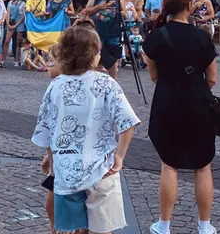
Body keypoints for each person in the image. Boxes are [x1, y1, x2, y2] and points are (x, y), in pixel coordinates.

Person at [32, 25, 140, 234]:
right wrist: (119, 156)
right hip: (102, 169)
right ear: (93, 56)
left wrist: (52, 159)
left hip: (66, 172)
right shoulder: (106, 83)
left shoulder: (56, 86)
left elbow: (47, 130)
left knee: (70, 229)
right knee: (103, 229)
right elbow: (128, 122)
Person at [143, 0, 219, 234]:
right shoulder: (202, 37)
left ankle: (164, 224)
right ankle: (205, 226)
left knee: (169, 163)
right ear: (189, 5)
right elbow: (212, 78)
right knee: (203, 165)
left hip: (167, 99)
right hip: (197, 100)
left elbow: (153, 75)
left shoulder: (157, 37)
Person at [40, 43, 64, 234]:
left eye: (51, 61)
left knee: (57, 206)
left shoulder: (60, 86)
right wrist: (49, 154)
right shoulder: (55, 86)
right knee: (51, 206)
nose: (48, 64)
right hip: (58, 160)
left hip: (67, 163)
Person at [82, 0, 123, 78]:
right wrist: (98, 7)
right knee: (96, 58)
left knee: (113, 61)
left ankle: (113, 82)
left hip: (114, 32)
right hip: (98, 32)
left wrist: (125, 14)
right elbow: (86, 11)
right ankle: (94, 80)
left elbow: (124, 11)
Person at [1, 0, 26, 68]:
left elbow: (23, 16)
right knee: (6, 41)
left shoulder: (23, 3)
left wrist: (16, 25)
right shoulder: (10, 2)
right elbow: (8, 13)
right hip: (11, 22)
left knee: (18, 42)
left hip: (19, 23)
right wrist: (7, 23)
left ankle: (16, 60)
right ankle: (3, 59)